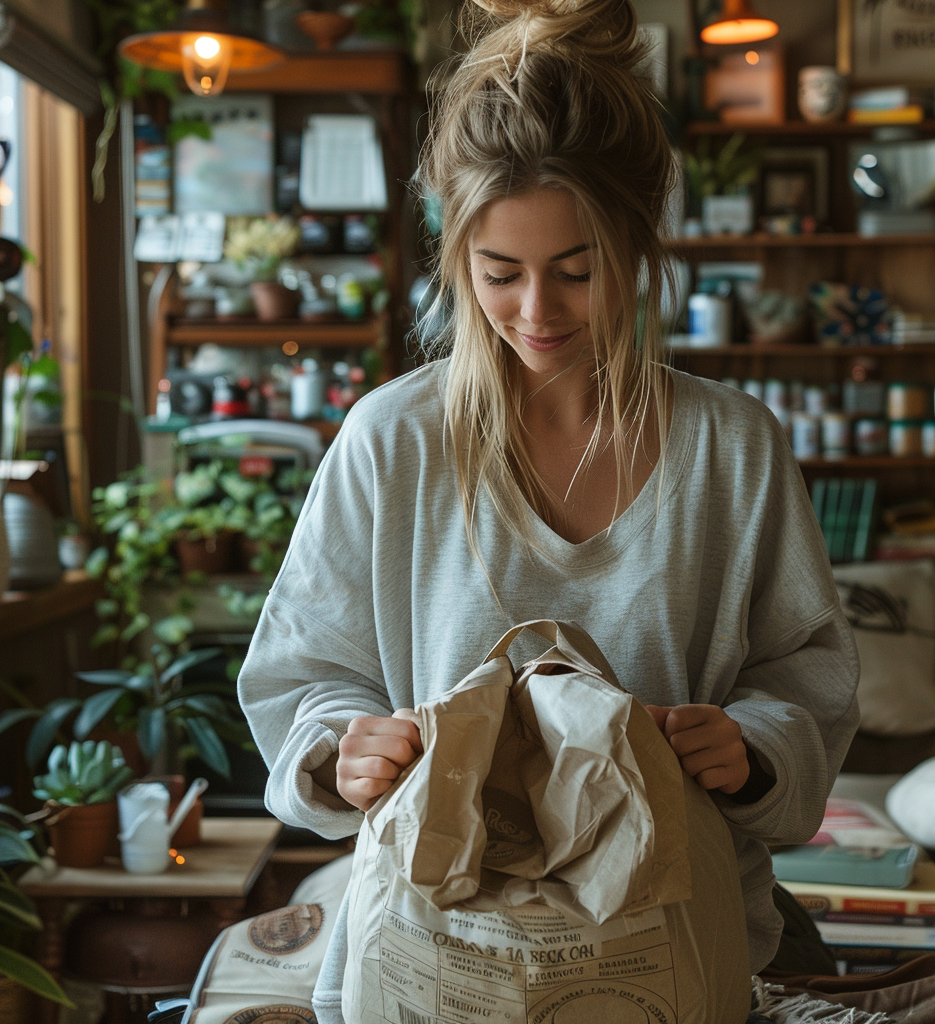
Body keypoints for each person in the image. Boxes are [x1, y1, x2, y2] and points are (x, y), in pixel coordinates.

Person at [237, 0, 860, 1015]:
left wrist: (748, 747)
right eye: (500, 273)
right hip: (434, 957)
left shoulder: (730, 448)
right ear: (455, 261)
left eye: (577, 271)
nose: (538, 313)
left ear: (638, 243)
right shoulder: (392, 441)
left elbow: (810, 679)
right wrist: (342, 744)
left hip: (673, 949)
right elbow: (305, 673)